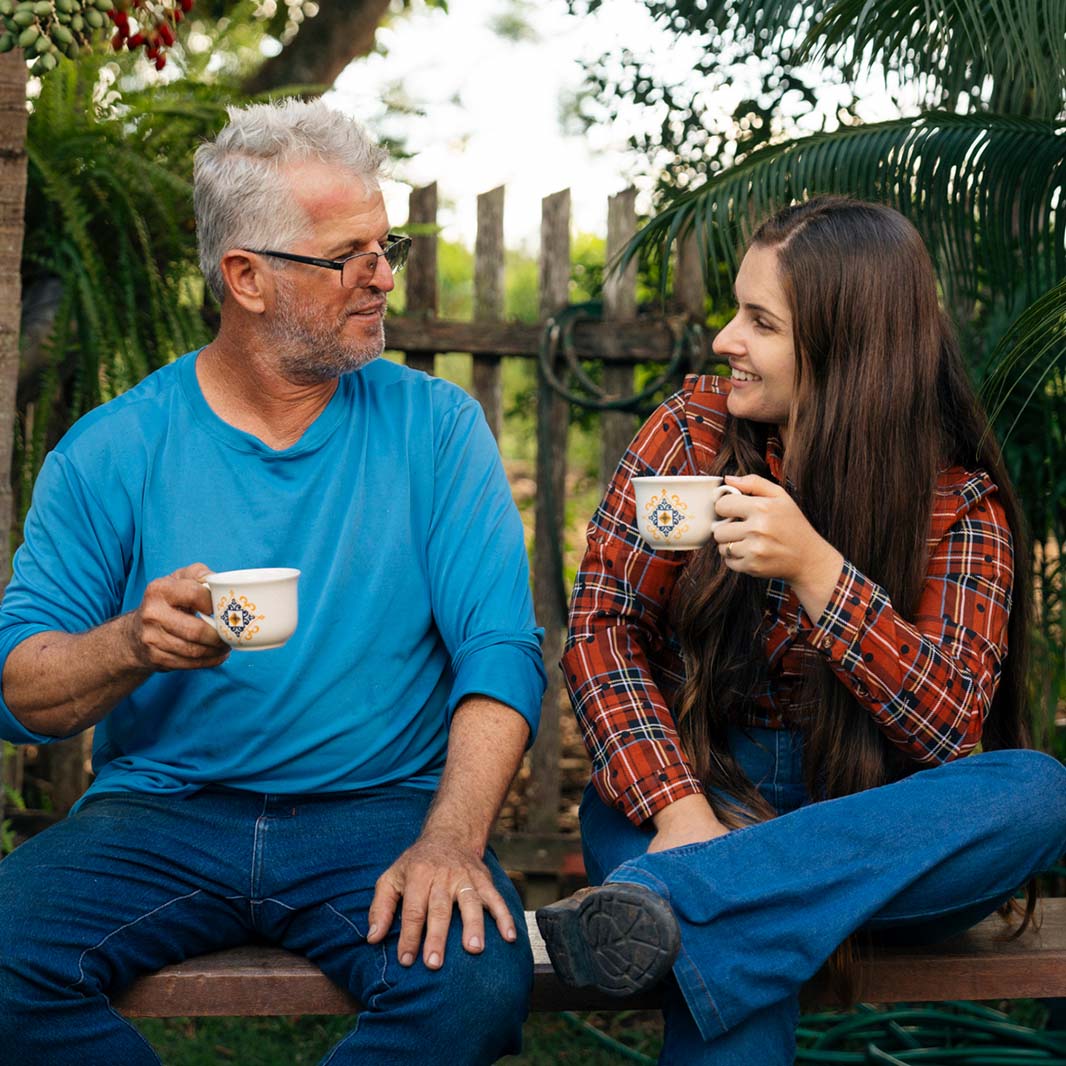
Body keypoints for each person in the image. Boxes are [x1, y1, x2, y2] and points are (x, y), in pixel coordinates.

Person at [0, 98, 546, 1065]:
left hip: (380, 811)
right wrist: (133, 641)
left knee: (471, 985)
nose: (382, 277)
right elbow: (23, 688)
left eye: (389, 246)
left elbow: (501, 652)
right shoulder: (113, 449)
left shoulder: (436, 430)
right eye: (349, 256)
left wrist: (451, 840)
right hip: (162, 812)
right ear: (245, 277)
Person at [536, 196, 1066, 1064]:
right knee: (737, 938)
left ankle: (680, 901)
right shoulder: (694, 430)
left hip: (877, 827)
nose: (723, 340)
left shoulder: (957, 503)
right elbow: (603, 631)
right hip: (694, 793)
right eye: (735, 311)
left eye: (761, 322)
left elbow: (947, 730)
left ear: (845, 347)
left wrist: (821, 572)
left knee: (1041, 792)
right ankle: (709, 894)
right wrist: (679, 812)